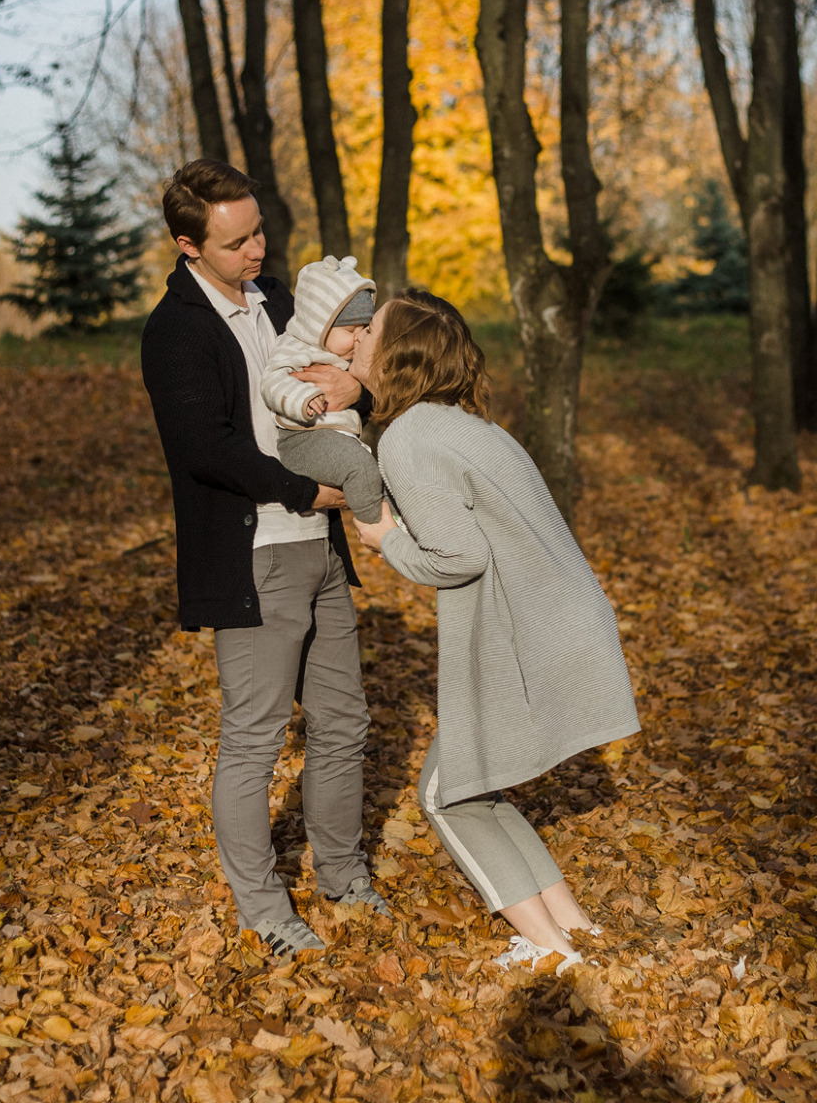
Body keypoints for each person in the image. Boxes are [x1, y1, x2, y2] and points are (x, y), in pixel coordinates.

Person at [139, 159, 390, 958]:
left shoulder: (283, 301)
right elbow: (201, 448)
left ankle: (343, 873)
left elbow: (345, 372)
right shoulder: (173, 330)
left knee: (345, 721)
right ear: (188, 245)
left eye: (259, 232)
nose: (257, 250)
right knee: (255, 736)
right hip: (252, 558)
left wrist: (361, 396)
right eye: (237, 240)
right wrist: (301, 492)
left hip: (320, 549)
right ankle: (264, 910)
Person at [351, 289, 642, 972]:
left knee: (444, 795)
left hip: (529, 637)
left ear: (398, 354)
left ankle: (546, 952)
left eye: (371, 332)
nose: (358, 338)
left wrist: (387, 539)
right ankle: (571, 928)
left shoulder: (408, 438)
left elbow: (462, 555)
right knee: (474, 786)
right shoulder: (467, 425)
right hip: (561, 624)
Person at [259, 254, 387, 523]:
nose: (358, 337)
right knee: (361, 469)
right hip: (303, 439)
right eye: (350, 329)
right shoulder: (295, 346)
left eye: (364, 328)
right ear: (320, 325)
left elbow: (377, 392)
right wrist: (301, 398)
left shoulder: (348, 353)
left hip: (337, 439)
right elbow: (273, 381)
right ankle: (377, 528)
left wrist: (359, 388)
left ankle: (391, 519)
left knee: (379, 472)